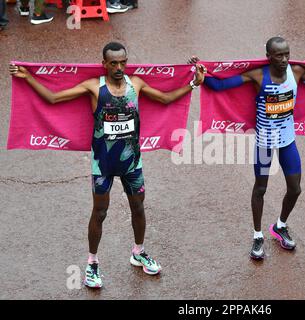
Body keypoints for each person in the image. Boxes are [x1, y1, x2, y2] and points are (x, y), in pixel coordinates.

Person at [10, 42, 206, 288]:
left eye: (123, 62)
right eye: (113, 63)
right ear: (104, 64)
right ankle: (92, 263)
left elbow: (166, 99)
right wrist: (27, 77)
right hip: (102, 164)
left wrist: (193, 83)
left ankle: (138, 252)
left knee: (139, 208)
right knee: (100, 213)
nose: (119, 67)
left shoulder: (136, 84)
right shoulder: (94, 87)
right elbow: (53, 98)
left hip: (132, 162)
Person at [190, 37, 305, 260]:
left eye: (287, 54)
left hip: (287, 141)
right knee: (260, 189)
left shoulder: (297, 72)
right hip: (265, 142)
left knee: (295, 188)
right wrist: (200, 73)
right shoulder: (258, 75)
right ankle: (257, 236)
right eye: (279, 55)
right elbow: (221, 85)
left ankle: (280, 226)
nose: (284, 59)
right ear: (268, 56)